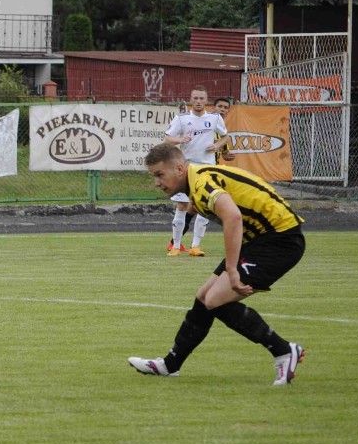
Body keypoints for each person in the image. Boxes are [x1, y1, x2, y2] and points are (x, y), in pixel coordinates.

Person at [129, 143, 305, 386]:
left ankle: (284, 351)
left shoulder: (202, 183)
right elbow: (200, 206)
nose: (156, 182)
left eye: (160, 175)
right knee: (204, 297)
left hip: (280, 240)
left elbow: (231, 216)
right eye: (154, 176)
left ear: (180, 169)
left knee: (215, 300)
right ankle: (170, 364)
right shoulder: (196, 179)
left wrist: (232, 270)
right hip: (259, 240)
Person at [164, 85, 229, 257]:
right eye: (195, 98)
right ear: (191, 99)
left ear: (206, 101)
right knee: (183, 205)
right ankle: (175, 246)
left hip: (207, 168)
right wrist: (179, 139)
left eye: (202, 98)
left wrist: (217, 145)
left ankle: (195, 246)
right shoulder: (182, 119)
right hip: (187, 168)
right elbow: (167, 138)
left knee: (205, 207)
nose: (198, 101)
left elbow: (226, 137)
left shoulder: (215, 118)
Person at [212, 97, 236, 163]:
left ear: (228, 111)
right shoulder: (205, 124)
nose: (222, 109)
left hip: (213, 167)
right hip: (199, 166)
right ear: (213, 107)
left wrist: (228, 155)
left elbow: (225, 154)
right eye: (220, 106)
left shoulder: (222, 131)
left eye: (225, 108)